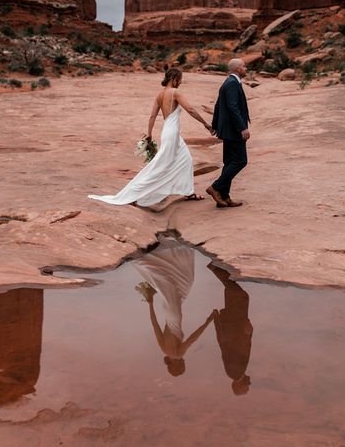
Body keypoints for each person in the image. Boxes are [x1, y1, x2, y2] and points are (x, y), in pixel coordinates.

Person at [88, 67, 213, 208]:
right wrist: (205, 124)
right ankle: (135, 193)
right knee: (160, 165)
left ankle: (188, 192)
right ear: (173, 79)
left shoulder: (160, 95)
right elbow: (190, 109)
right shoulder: (175, 93)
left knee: (186, 159)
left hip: (169, 132)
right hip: (171, 134)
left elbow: (152, 115)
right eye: (180, 79)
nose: (181, 82)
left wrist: (149, 133)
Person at [134, 237, 215, 376]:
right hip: (168, 314)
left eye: (183, 365)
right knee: (174, 285)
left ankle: (160, 255)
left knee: (177, 283)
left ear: (178, 364)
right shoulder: (164, 350)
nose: (184, 361)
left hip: (175, 316)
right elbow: (155, 326)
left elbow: (193, 338)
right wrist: (151, 303)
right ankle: (157, 257)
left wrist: (209, 320)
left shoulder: (178, 354)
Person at [206, 58, 250, 208]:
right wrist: (242, 127)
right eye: (244, 66)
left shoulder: (229, 82)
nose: (246, 68)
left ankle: (224, 196)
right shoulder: (232, 83)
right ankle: (216, 187)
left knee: (230, 162)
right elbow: (232, 107)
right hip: (233, 130)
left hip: (228, 129)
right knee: (240, 161)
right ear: (237, 69)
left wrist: (215, 125)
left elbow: (218, 105)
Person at [208, 262, 253, 395]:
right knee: (235, 295)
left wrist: (247, 332)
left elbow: (228, 345)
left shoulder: (236, 372)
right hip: (232, 325)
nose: (249, 384)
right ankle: (219, 269)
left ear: (240, 386)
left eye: (246, 387)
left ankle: (216, 268)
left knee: (240, 296)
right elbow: (225, 345)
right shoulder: (233, 373)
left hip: (235, 325)